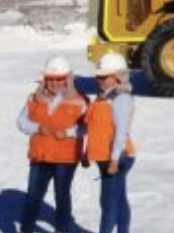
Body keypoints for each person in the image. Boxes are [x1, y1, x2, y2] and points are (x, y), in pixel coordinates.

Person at [16, 55, 88, 233]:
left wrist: (68, 132)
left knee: (62, 198)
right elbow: (21, 121)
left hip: (65, 159)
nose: (55, 83)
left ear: (67, 79)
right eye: (51, 79)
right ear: (45, 79)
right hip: (40, 157)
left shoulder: (80, 100)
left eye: (60, 79)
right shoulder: (34, 98)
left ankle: (62, 230)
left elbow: (86, 128)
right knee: (33, 198)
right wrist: (38, 128)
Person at [86, 52, 136, 233]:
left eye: (103, 76)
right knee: (118, 199)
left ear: (117, 77)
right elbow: (95, 128)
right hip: (105, 157)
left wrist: (114, 160)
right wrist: (86, 153)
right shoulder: (103, 97)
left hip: (117, 157)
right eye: (98, 76)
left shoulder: (121, 98)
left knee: (108, 203)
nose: (99, 79)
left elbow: (121, 132)